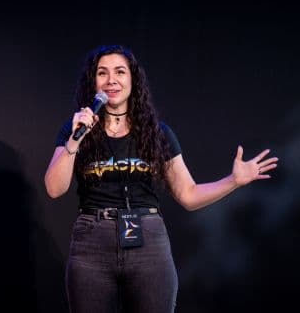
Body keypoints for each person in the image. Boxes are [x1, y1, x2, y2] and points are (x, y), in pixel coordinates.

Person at [44, 44, 278, 313]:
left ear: (133, 80)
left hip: (148, 242)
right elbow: (54, 188)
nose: (111, 80)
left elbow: (188, 195)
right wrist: (76, 140)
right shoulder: (75, 129)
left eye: (120, 72)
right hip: (92, 242)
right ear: (93, 81)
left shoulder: (157, 133)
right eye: (102, 73)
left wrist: (233, 180)